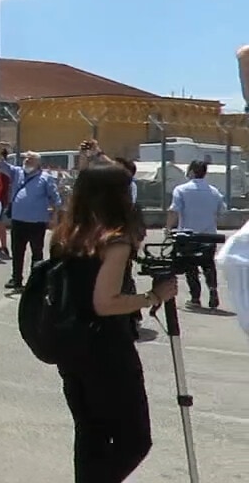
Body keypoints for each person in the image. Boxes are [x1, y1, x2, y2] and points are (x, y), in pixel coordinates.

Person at [53, 161, 176, 482]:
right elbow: (106, 302)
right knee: (134, 440)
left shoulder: (66, 235)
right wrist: (154, 297)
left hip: (72, 345)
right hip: (107, 350)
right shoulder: (114, 242)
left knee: (90, 433)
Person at [0, 149, 62, 291]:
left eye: (30, 159)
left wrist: (55, 217)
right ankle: (16, 279)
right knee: (17, 251)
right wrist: (0, 151)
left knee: (37, 252)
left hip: (37, 222)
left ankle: (36, 281)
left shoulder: (46, 177)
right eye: (26, 159)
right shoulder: (17, 172)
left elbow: (55, 199)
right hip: (18, 221)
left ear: (38, 163)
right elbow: (1, 165)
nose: (27, 161)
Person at [166, 159, 227, 309]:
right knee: (208, 264)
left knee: (190, 267)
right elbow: (222, 210)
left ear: (191, 171)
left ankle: (195, 298)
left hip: (188, 236)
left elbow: (174, 210)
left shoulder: (181, 189)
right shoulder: (214, 191)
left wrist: (168, 228)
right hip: (209, 236)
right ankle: (212, 289)